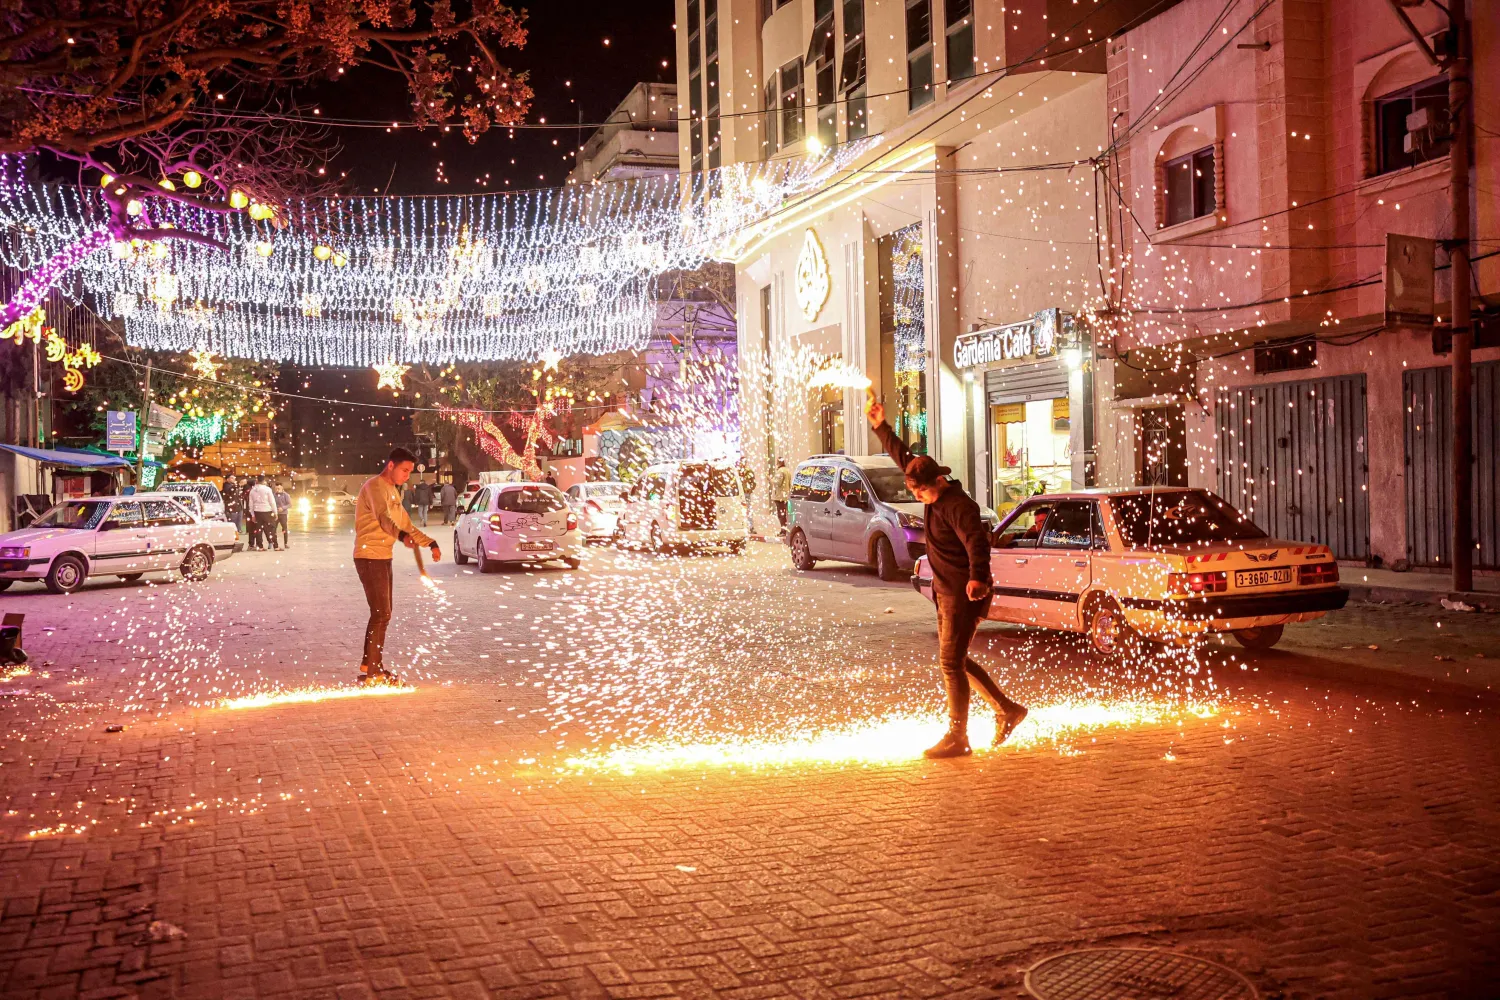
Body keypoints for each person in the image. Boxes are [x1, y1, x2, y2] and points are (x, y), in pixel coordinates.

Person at [865, 389, 1028, 759]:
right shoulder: (927, 484)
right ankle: (1007, 710)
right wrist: (881, 427)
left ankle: (959, 736)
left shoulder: (959, 506)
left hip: (962, 593)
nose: (920, 497)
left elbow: (978, 543)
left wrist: (977, 578)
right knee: (955, 660)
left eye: (922, 491)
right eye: (915, 492)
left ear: (938, 481)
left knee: (950, 662)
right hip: (945, 591)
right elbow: (903, 457)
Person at [353, 447, 440, 685]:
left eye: (410, 472)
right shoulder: (374, 487)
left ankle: (370, 663)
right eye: (404, 470)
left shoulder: (393, 491)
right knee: (381, 613)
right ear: (390, 465)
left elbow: (406, 525)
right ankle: (373, 671)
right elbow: (384, 519)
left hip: (383, 556)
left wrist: (430, 543)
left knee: (384, 613)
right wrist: (401, 537)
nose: (407, 476)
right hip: (368, 556)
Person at [247, 476, 279, 551]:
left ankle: (260, 546)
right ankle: (276, 546)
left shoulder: (252, 490)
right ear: (264, 481)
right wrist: (275, 512)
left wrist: (252, 515)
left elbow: (250, 504)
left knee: (258, 530)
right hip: (267, 511)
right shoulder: (267, 489)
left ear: (257, 480)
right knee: (271, 529)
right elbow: (272, 502)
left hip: (257, 511)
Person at [771, 458, 791, 534]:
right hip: (786, 495)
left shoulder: (780, 471)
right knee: (785, 514)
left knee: (781, 515)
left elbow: (777, 483)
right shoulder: (787, 470)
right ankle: (785, 529)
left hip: (779, 496)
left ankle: (783, 530)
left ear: (778, 463)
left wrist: (770, 479)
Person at [274, 481, 291, 549]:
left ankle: (285, 543)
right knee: (273, 529)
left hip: (283, 514)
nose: (277, 490)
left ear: (282, 488)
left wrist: (283, 508)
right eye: (276, 489)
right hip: (275, 514)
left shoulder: (286, 495)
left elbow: (289, 504)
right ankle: (274, 543)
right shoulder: (273, 495)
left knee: (284, 529)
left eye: (279, 488)